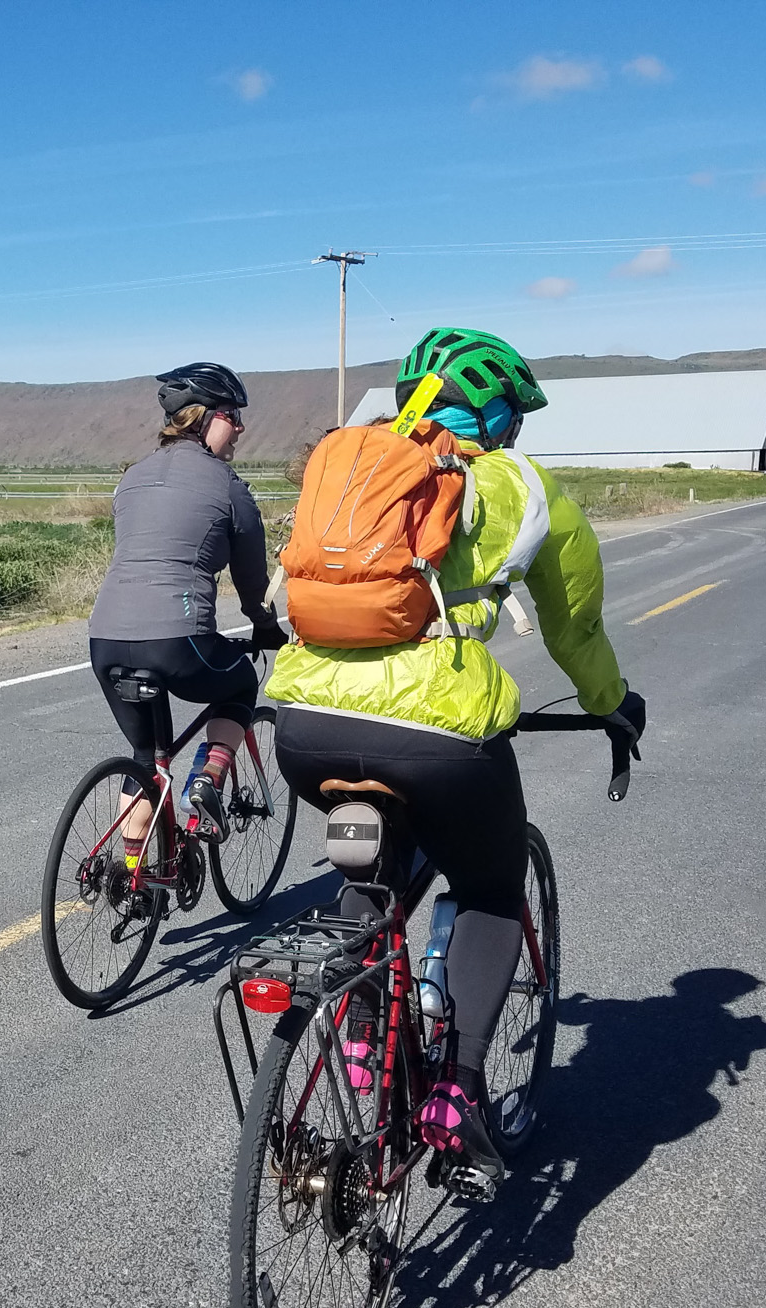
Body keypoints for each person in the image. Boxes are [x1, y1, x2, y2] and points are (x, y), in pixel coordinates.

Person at [266, 326, 646, 1188]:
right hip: (438, 736)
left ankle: (365, 1043)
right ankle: (458, 1095)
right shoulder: (518, 484)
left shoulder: (349, 468)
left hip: (302, 726)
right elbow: (575, 624)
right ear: (502, 416)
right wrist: (612, 707)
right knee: (488, 889)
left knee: (374, 878)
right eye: (515, 417)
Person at [88, 362, 287, 857]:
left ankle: (131, 876)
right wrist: (267, 630)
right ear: (204, 418)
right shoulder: (228, 485)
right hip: (178, 639)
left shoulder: (131, 477)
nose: (240, 426)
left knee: (147, 757)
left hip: (105, 637)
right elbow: (252, 586)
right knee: (240, 682)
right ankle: (207, 785)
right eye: (233, 415)